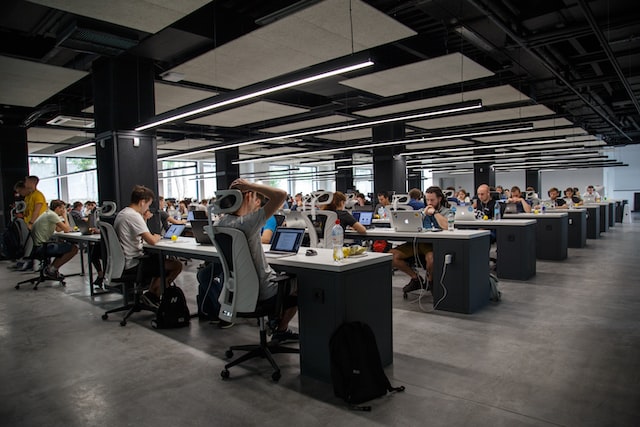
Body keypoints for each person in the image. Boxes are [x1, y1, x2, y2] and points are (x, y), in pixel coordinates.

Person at [218, 179, 298, 343]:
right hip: (264, 291)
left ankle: (274, 321)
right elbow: (281, 195)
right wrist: (251, 186)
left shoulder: (220, 223)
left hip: (238, 291)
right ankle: (281, 329)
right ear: (248, 197)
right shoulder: (247, 222)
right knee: (302, 281)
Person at [114, 185, 183, 308]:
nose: (148, 208)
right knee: (176, 265)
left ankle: (151, 295)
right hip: (134, 263)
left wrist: (144, 219)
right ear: (142, 202)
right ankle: (152, 295)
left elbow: (138, 232)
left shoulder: (123, 213)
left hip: (124, 262)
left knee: (159, 261)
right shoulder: (133, 216)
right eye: (148, 205)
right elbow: (151, 240)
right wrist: (157, 236)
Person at [390, 186, 451, 294]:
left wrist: (435, 213)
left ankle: (431, 282)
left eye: (432, 200)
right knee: (391, 256)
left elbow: (447, 226)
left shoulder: (447, 211)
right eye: (427, 200)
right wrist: (423, 214)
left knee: (431, 259)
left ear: (439, 199)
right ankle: (415, 278)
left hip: (433, 245)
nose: (429, 202)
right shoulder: (421, 211)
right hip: (417, 243)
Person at [31, 199, 79, 280]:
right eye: (63, 208)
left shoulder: (48, 213)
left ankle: (52, 268)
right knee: (74, 249)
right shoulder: (52, 215)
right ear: (58, 208)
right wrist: (65, 216)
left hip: (38, 246)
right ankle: (51, 269)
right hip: (42, 247)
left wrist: (63, 224)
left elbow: (58, 229)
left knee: (63, 245)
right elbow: (66, 229)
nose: (63, 210)